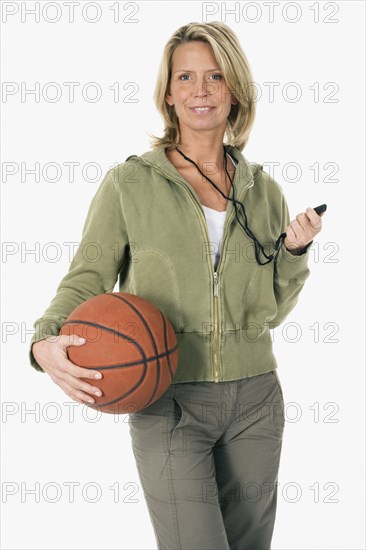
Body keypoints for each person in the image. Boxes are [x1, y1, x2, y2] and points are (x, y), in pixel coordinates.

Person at [30, 21, 325, 550]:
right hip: (167, 397)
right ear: (167, 92)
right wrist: (45, 338)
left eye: (215, 76)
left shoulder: (264, 191)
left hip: (256, 397)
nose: (201, 90)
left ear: (235, 89)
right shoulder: (130, 183)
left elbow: (273, 310)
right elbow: (87, 277)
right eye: (185, 76)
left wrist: (296, 254)